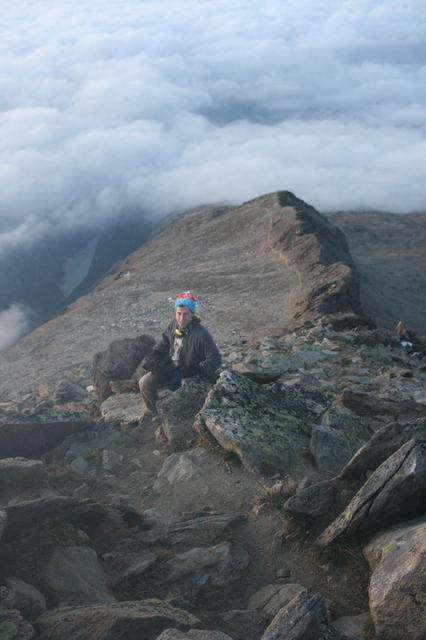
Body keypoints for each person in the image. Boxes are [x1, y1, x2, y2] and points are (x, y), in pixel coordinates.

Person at [139, 291, 221, 413]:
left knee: (174, 400)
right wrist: (155, 354)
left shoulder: (201, 334)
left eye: (186, 314)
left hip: (189, 373)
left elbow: (215, 359)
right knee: (144, 383)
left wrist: (197, 369)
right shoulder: (174, 324)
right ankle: (155, 413)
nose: (182, 318)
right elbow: (165, 341)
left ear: (192, 314)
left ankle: (172, 418)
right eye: (179, 314)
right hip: (170, 366)